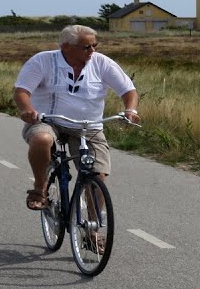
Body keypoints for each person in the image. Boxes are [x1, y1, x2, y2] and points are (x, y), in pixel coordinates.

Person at [14, 25, 139, 211]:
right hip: (48, 120)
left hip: (88, 126)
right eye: (86, 47)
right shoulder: (42, 61)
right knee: (42, 139)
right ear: (65, 46)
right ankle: (40, 188)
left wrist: (130, 110)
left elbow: (128, 91)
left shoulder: (102, 63)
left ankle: (93, 229)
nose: (92, 51)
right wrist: (27, 110)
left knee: (97, 176)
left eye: (94, 45)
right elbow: (22, 91)